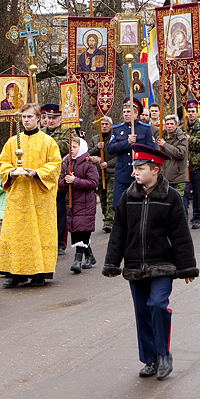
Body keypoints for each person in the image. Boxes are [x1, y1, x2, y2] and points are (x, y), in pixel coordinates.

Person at [103, 144, 199, 380]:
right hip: (136, 266)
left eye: (141, 168)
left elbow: (181, 236)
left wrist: (187, 266)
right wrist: (112, 263)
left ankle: (163, 353)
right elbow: (119, 232)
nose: (135, 172)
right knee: (142, 312)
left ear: (155, 170)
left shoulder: (171, 198)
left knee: (157, 305)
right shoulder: (129, 197)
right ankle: (150, 359)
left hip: (163, 265)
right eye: (134, 168)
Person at [0, 103, 62, 287]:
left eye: (30, 117)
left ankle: (39, 273)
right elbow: (3, 162)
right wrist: (10, 172)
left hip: (40, 196)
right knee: (17, 234)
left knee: (39, 233)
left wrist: (37, 172)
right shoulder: (12, 141)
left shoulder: (48, 142)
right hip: (18, 195)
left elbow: (56, 164)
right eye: (24, 117)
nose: (26, 120)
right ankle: (16, 273)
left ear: (38, 119)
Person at [107, 97, 157, 208]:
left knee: (138, 205)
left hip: (140, 173)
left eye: (129, 111)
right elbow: (110, 149)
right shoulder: (117, 129)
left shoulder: (145, 129)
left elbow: (153, 151)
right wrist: (126, 142)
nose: (126, 114)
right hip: (122, 174)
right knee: (118, 206)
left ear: (136, 114)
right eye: (124, 112)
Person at [59, 137, 99, 273]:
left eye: (75, 147)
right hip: (72, 202)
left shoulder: (89, 164)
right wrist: (65, 181)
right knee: (75, 229)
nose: (72, 150)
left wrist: (76, 181)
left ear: (81, 148)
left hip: (86, 202)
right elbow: (60, 183)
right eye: (70, 148)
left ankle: (77, 260)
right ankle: (90, 256)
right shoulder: (66, 163)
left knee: (83, 230)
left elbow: (93, 183)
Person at [42, 103, 71, 255]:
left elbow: (67, 146)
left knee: (60, 211)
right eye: (48, 118)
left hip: (59, 176)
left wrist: (46, 145)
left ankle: (60, 241)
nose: (51, 121)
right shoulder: (40, 132)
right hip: (42, 177)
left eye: (54, 118)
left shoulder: (67, 131)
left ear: (60, 119)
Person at [180, 100, 200, 228]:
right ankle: (183, 217)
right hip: (185, 165)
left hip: (198, 164)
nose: (191, 114)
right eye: (189, 111)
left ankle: (198, 217)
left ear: (197, 113)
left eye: (193, 111)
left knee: (199, 193)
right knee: (184, 193)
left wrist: (190, 139)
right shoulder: (182, 127)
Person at [89, 116, 116, 232]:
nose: (104, 126)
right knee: (103, 197)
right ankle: (106, 217)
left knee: (111, 198)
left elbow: (119, 156)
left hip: (112, 173)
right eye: (102, 124)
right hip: (99, 174)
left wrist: (107, 164)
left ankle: (109, 220)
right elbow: (88, 154)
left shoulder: (115, 138)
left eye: (106, 124)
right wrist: (97, 148)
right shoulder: (95, 139)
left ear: (110, 126)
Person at [157, 114, 189, 197]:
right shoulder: (160, 137)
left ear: (176, 125)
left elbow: (181, 153)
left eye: (171, 124)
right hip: (163, 177)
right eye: (167, 124)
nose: (169, 126)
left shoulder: (182, 138)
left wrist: (165, 145)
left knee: (179, 202)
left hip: (178, 178)